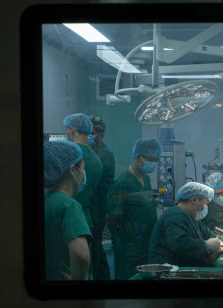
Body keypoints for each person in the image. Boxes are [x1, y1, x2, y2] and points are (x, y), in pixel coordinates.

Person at [105, 138, 161, 280]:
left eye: (156, 160)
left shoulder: (146, 179)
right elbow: (112, 218)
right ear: (137, 157)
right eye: (150, 159)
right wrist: (125, 240)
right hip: (128, 251)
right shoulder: (122, 183)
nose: (153, 163)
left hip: (146, 246)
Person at [43, 140, 91, 280]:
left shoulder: (47, 201)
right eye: (83, 168)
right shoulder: (69, 206)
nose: (83, 174)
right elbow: (81, 256)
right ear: (72, 170)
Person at [148, 182, 223, 267]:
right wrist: (206, 246)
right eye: (206, 203)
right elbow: (181, 245)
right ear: (194, 200)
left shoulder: (192, 218)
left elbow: (206, 233)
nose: (206, 207)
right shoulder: (174, 216)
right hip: (168, 270)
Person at [63, 113, 103, 250]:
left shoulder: (69, 153)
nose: (66, 133)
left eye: (66, 130)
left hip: (67, 219)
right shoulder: (96, 160)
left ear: (72, 130)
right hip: (84, 220)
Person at [87, 115, 115, 281]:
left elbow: (93, 180)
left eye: (94, 132)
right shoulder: (91, 151)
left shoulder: (105, 154)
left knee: (95, 250)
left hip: (97, 210)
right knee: (97, 250)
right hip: (92, 208)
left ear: (102, 133)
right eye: (88, 131)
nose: (90, 135)